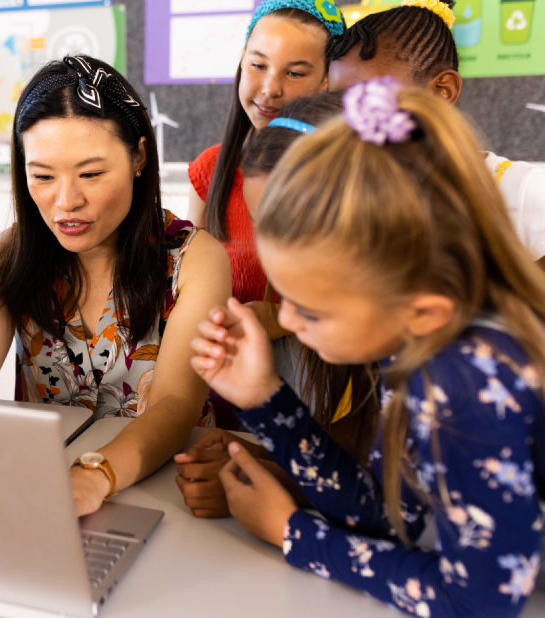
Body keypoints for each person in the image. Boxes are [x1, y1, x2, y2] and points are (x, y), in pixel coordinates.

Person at [193, 79, 545, 617]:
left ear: (421, 308)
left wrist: (297, 536)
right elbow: (388, 510)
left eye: (310, 309)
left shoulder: (468, 383)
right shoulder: (420, 331)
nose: (282, 317)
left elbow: (479, 605)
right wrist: (264, 396)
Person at [0, 55, 231, 515]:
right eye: (42, 176)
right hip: (44, 488)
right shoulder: (9, 257)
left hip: (164, 490)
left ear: (138, 156)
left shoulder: (195, 260)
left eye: (91, 174)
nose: (66, 202)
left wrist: (94, 475)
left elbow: (174, 404)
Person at [176, 92, 379, 519]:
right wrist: (252, 448)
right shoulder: (369, 331)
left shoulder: (457, 361)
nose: (282, 314)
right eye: (262, 230)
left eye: (292, 230)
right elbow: (367, 490)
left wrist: (290, 531)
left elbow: (467, 580)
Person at [326, 0, 545, 267]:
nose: (351, 120)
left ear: (443, 90)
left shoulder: (522, 193)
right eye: (339, 104)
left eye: (371, 99)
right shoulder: (345, 200)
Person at [187, 0, 345, 305]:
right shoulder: (209, 170)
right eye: (258, 65)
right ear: (242, 60)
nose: (271, 88)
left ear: (327, 80)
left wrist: (274, 323)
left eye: (295, 73)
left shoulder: (342, 172)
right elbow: (187, 281)